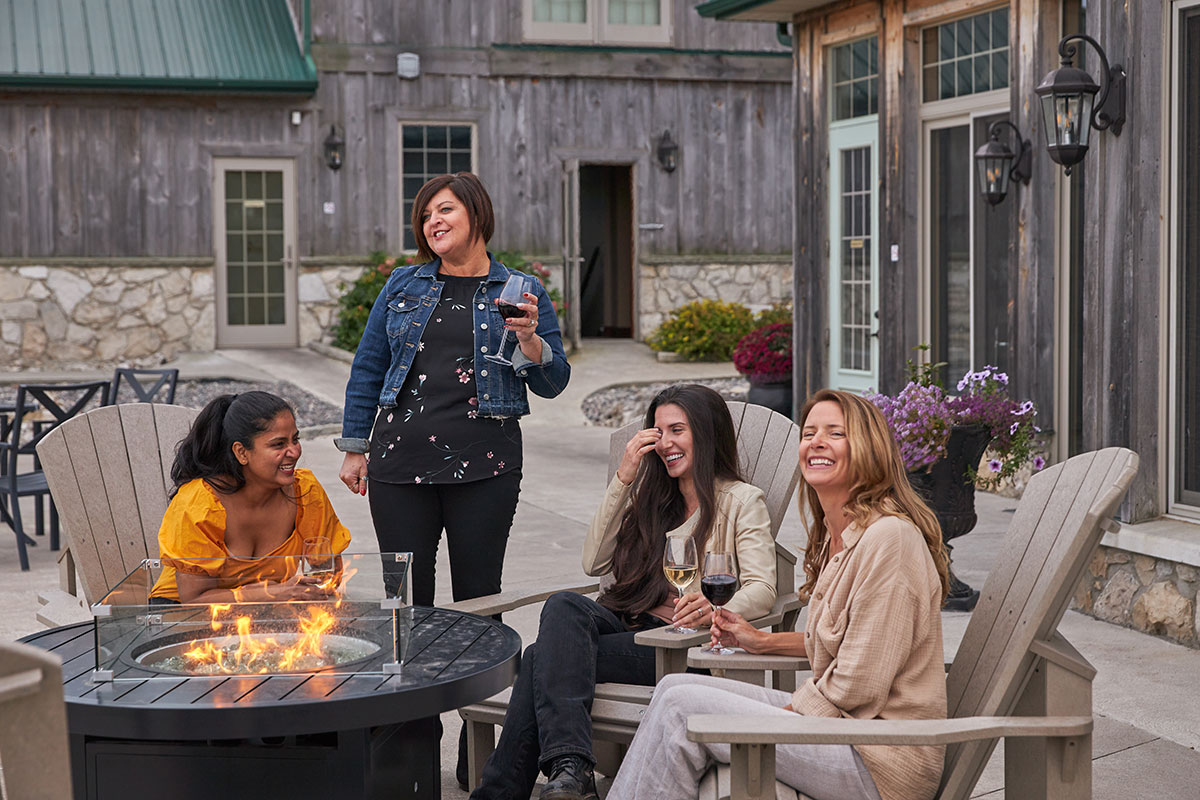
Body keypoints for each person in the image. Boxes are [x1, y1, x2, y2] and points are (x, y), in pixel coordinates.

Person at [608, 389, 950, 800]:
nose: (816, 441)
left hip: (880, 756)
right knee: (671, 690)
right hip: (845, 732)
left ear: (870, 451)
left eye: (835, 433)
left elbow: (859, 684)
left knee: (683, 710)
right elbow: (846, 646)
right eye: (809, 433)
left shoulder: (889, 539)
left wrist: (775, 718)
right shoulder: (839, 537)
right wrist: (762, 641)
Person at [471, 383, 777, 800]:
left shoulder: (742, 501)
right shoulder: (652, 496)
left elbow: (763, 588)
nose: (665, 442)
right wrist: (624, 477)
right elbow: (593, 563)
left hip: (679, 646)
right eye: (658, 431)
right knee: (564, 605)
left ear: (706, 435)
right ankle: (571, 769)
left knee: (543, 656)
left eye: (677, 431)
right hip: (630, 624)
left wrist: (713, 608)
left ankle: (529, 784)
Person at [335, 171, 570, 607]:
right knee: (405, 605)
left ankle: (484, 679)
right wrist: (354, 446)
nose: (433, 222)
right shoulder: (402, 285)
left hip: (486, 468)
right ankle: (410, 677)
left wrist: (529, 340)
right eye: (425, 215)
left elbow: (553, 383)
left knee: (480, 603)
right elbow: (369, 366)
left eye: (445, 209)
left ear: (477, 213)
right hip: (398, 466)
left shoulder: (521, 290)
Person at [150, 392, 351, 604]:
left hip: (265, 616)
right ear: (241, 452)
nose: (294, 452)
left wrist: (307, 590)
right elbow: (194, 601)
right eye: (279, 444)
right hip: (181, 619)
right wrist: (274, 593)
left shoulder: (306, 493)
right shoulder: (198, 505)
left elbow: (328, 575)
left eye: (295, 439)